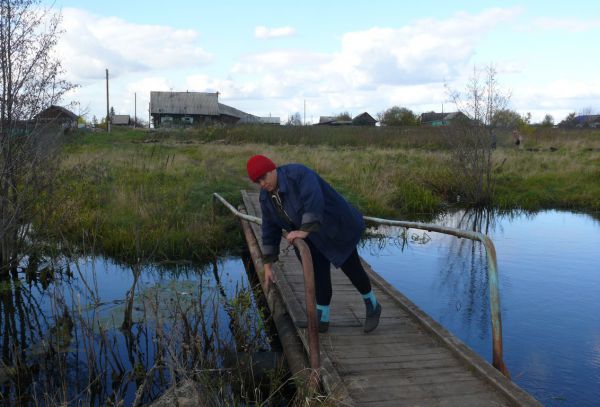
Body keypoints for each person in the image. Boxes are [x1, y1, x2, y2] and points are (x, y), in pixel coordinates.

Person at [246, 154, 382, 333]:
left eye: (264, 177)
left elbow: (314, 201)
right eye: (258, 181)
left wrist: (304, 230)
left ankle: (372, 305)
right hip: (310, 235)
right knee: (318, 275)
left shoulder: (299, 174)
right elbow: (269, 229)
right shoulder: (266, 197)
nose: (262, 184)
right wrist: (268, 264)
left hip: (336, 226)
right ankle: (322, 318)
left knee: (352, 268)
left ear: (273, 169)